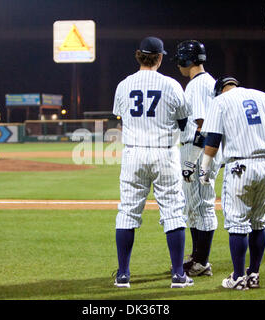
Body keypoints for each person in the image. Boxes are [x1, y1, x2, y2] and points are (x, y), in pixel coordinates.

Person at [113, 36, 193, 288]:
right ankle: (178, 274)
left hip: (133, 152)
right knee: (173, 212)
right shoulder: (171, 85)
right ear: (159, 58)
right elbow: (184, 123)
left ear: (139, 55)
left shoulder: (124, 84)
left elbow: (121, 118)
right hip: (165, 153)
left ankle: (123, 274)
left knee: (127, 212)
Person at [200, 76, 265, 290]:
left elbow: (213, 139)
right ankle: (254, 275)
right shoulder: (264, 97)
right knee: (259, 222)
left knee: (238, 224)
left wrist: (205, 167)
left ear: (220, 90)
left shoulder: (220, 101)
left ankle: (238, 277)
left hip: (240, 167)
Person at [173, 40, 221, 277]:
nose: (178, 65)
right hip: (200, 150)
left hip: (200, 150)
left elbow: (204, 125)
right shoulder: (204, 82)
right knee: (195, 205)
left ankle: (202, 262)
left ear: (187, 60)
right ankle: (196, 257)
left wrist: (192, 159)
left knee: (203, 205)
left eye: (180, 60)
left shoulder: (198, 85)